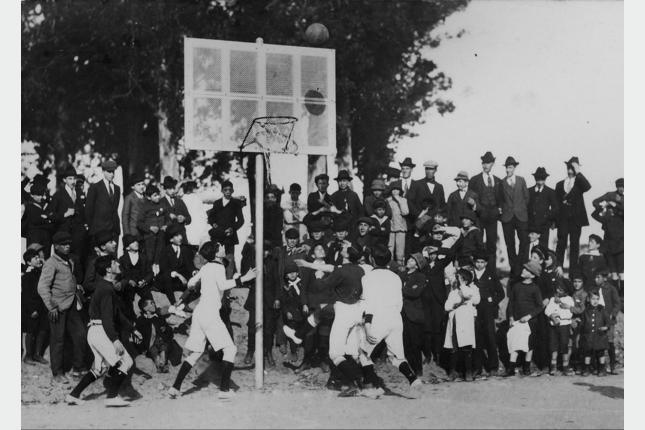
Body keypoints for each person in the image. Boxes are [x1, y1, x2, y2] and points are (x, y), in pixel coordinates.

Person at [168, 241, 256, 400]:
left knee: (196, 352)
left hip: (199, 313)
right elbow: (222, 285)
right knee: (230, 350)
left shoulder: (206, 267)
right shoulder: (218, 266)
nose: (223, 247)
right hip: (210, 313)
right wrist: (244, 278)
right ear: (216, 253)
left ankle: (175, 388)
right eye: (220, 246)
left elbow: (191, 283)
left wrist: (200, 281)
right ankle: (224, 390)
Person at [65, 255, 137, 407]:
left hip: (95, 331)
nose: (118, 264)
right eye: (114, 263)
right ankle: (112, 397)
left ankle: (73, 395)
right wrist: (115, 340)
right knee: (126, 362)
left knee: (100, 368)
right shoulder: (106, 289)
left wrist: (132, 329)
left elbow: (117, 314)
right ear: (109, 269)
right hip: (100, 331)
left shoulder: (106, 287)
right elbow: (107, 319)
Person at [358, 245, 422, 394]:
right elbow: (399, 302)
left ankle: (370, 386)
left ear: (372, 259)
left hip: (377, 318)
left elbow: (368, 303)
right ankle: (413, 379)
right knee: (397, 356)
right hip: (395, 317)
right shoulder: (396, 277)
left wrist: (367, 325)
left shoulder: (367, 278)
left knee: (362, 352)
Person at [37, 231, 87, 382]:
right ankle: (57, 373)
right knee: (58, 340)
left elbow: (68, 279)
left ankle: (78, 368)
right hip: (57, 308)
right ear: (56, 246)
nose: (67, 246)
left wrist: (77, 286)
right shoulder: (51, 263)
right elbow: (42, 287)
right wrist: (51, 307)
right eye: (63, 244)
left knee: (80, 335)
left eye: (68, 244)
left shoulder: (70, 260)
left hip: (72, 305)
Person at [241, 238, 279, 366]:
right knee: (252, 327)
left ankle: (268, 352)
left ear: (269, 252)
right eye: (261, 250)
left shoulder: (273, 263)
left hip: (269, 300)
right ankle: (250, 351)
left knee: (268, 329)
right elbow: (245, 278)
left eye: (266, 251)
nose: (263, 253)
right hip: (255, 299)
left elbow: (277, 282)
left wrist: (277, 298)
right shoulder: (252, 262)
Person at [504, 260, 543, 377]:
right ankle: (511, 368)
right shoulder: (516, 286)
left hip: (530, 322)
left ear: (532, 275)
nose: (523, 271)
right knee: (515, 343)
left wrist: (529, 316)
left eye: (527, 270)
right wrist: (511, 317)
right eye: (524, 268)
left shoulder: (535, 288)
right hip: (517, 320)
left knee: (529, 345)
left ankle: (526, 367)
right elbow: (511, 303)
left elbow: (540, 306)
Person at [555, 157, 591, 272]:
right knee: (561, 243)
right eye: (569, 168)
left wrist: (578, 171)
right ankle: (558, 269)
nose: (570, 170)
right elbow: (556, 204)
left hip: (576, 220)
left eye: (573, 168)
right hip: (563, 219)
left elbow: (588, 186)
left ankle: (573, 273)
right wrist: (555, 221)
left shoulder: (580, 183)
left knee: (574, 245)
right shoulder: (559, 184)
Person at [444, 268, 481, 382]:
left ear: (465, 280)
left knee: (467, 346)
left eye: (459, 278)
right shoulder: (453, 292)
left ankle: (468, 372)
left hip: (466, 322)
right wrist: (457, 304)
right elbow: (447, 306)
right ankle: (453, 372)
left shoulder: (471, 290)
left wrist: (463, 285)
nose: (456, 280)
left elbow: (474, 299)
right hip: (455, 320)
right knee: (454, 346)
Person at [468, 151, 503, 268]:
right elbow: (471, 198)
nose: (485, 165)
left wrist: (499, 209)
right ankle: (476, 270)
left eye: (488, 163)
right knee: (478, 243)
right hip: (479, 216)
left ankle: (491, 271)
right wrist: (477, 210)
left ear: (492, 164)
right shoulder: (474, 180)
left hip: (493, 217)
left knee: (492, 244)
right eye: (483, 163)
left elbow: (501, 198)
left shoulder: (498, 180)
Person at [472, 252, 504, 378]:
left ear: (486, 263)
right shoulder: (471, 274)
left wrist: (492, 302)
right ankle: (477, 367)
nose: (480, 265)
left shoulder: (491, 275)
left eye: (482, 262)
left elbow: (501, 293)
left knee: (490, 337)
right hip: (474, 310)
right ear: (474, 262)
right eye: (477, 262)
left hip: (488, 311)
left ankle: (493, 366)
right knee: (476, 338)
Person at [50, 166, 89, 262]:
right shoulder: (58, 195)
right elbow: (51, 216)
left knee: (78, 261)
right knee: (64, 261)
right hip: (64, 235)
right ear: (64, 180)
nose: (73, 181)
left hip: (79, 235)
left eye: (74, 178)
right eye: (70, 179)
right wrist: (65, 214)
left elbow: (85, 212)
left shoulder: (80, 193)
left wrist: (85, 226)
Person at [499, 156, 530, 276]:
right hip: (507, 217)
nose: (508, 170)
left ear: (514, 168)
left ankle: (522, 266)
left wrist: (520, 208)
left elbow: (526, 197)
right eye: (507, 167)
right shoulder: (502, 182)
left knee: (524, 241)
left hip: (521, 216)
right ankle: (514, 269)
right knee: (510, 243)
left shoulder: (521, 180)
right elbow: (501, 199)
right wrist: (504, 210)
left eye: (510, 167)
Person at [207, 180, 244, 277]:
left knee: (229, 258)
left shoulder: (236, 203)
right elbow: (211, 217)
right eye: (225, 190)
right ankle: (216, 277)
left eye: (230, 190)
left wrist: (232, 229)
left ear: (233, 191)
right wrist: (213, 224)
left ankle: (231, 279)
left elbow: (241, 220)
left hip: (229, 235)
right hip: (218, 234)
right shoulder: (217, 203)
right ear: (222, 191)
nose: (228, 192)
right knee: (216, 256)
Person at [134, 297, 182, 373]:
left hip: (162, 340)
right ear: (145, 308)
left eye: (153, 302)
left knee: (164, 348)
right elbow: (138, 336)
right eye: (151, 303)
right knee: (154, 350)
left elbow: (169, 330)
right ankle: (159, 363)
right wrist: (142, 349)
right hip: (150, 344)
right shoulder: (141, 320)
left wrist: (165, 329)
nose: (154, 304)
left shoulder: (159, 317)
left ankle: (163, 363)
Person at [401, 253, 427, 377]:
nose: (409, 261)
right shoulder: (401, 275)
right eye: (410, 259)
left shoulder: (420, 277)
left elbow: (415, 293)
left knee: (415, 343)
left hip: (414, 315)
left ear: (417, 266)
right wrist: (407, 288)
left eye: (412, 260)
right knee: (405, 343)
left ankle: (418, 370)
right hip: (402, 313)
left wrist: (402, 289)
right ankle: (411, 369)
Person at [22, 249, 49, 365]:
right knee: (31, 331)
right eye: (35, 258)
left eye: (38, 257)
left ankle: (37, 354)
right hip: (32, 308)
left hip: (43, 307)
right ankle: (28, 356)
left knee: (42, 330)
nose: (38, 260)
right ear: (29, 262)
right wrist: (32, 310)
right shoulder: (27, 276)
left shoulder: (42, 273)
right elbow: (26, 295)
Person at [157, 224, 196, 306]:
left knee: (195, 278)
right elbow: (164, 269)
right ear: (171, 239)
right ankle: (174, 303)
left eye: (180, 235)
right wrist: (178, 275)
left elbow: (189, 265)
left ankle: (184, 303)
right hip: (169, 280)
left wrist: (194, 271)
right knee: (166, 276)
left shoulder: (184, 249)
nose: (180, 237)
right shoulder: (165, 251)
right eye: (177, 236)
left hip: (179, 280)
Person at [591, 200, 624, 297]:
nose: (610, 210)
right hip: (609, 250)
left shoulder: (622, 217)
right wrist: (601, 207)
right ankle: (616, 295)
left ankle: (623, 295)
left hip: (620, 249)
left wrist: (616, 205)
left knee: (622, 274)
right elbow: (594, 215)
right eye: (609, 208)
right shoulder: (606, 219)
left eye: (611, 208)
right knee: (614, 274)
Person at [544, 281, 575, 375]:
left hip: (564, 326)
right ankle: (553, 366)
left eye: (561, 290)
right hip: (553, 326)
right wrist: (552, 316)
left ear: (566, 291)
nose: (558, 291)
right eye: (557, 289)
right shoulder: (552, 299)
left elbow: (569, 314)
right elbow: (547, 310)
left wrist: (559, 315)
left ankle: (565, 366)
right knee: (553, 345)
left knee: (564, 345)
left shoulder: (569, 299)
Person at [85, 159, 121, 240]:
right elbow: (88, 210)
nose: (112, 174)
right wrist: (93, 228)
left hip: (114, 231)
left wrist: (117, 230)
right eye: (109, 172)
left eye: (113, 172)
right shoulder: (95, 188)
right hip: (99, 231)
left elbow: (114, 209)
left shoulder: (117, 189)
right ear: (103, 171)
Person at [593, 268, 620, 374]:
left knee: (609, 342)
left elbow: (617, 303)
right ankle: (600, 367)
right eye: (595, 277)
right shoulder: (594, 289)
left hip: (609, 320)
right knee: (598, 343)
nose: (596, 279)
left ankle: (612, 366)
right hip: (598, 319)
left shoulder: (611, 289)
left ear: (604, 278)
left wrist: (613, 314)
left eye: (598, 277)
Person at [279, 262, 306, 363]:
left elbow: (305, 296)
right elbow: (283, 302)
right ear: (286, 275)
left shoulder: (302, 283)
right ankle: (293, 352)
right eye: (289, 273)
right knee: (292, 332)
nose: (292, 274)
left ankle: (302, 349)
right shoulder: (286, 287)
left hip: (302, 313)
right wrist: (287, 312)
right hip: (291, 313)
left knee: (302, 330)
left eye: (294, 272)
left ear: (297, 273)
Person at [579, 290, 611, 376]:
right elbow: (582, 323)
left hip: (600, 336)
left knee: (600, 353)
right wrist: (580, 324)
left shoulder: (602, 310)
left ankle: (602, 369)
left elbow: (608, 321)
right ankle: (586, 369)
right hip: (588, 336)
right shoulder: (586, 311)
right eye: (593, 299)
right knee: (588, 352)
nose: (595, 301)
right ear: (589, 299)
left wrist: (606, 327)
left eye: (597, 299)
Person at [22, 181, 55, 259]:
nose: (40, 197)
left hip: (46, 237)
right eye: (38, 195)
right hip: (34, 237)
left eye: (41, 195)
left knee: (46, 259)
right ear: (32, 195)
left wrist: (46, 218)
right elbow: (35, 220)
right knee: (34, 257)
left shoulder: (46, 204)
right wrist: (47, 219)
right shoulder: (29, 205)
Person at [527, 167, 559, 250]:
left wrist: (547, 216)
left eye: (542, 178)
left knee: (543, 249)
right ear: (535, 178)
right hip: (530, 225)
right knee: (527, 248)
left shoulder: (550, 192)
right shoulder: (528, 191)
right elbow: (525, 206)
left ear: (545, 179)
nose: (540, 180)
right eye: (538, 178)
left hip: (544, 225)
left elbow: (555, 208)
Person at [83, 231, 118, 298]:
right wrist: (106, 285)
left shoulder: (114, 259)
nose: (115, 243)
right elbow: (87, 284)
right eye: (111, 242)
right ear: (103, 246)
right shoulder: (94, 262)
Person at [137, 185, 167, 265]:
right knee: (149, 258)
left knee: (160, 257)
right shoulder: (145, 207)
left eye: (158, 195)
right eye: (155, 195)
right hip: (149, 237)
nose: (158, 197)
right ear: (149, 197)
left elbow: (168, 218)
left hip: (161, 236)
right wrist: (150, 228)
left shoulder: (162, 205)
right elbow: (139, 223)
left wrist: (166, 225)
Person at [160, 176, 192, 244]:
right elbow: (158, 220)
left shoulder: (179, 201)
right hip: (168, 237)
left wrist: (184, 219)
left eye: (173, 188)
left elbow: (189, 219)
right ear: (165, 189)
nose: (172, 191)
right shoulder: (161, 202)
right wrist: (168, 217)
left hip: (181, 236)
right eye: (170, 188)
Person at [330, 170, 363, 234]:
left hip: (353, 227)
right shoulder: (334, 196)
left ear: (348, 182)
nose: (342, 183)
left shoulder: (353, 195)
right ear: (337, 182)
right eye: (340, 181)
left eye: (344, 181)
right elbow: (332, 213)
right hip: (339, 228)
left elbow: (360, 211)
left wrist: (358, 224)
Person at [569, 270, 588, 373]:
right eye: (575, 281)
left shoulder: (584, 294)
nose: (576, 284)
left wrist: (569, 308)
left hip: (582, 321)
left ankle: (581, 365)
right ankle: (573, 363)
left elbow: (582, 310)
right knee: (572, 342)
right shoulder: (573, 293)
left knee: (578, 342)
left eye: (579, 282)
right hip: (573, 320)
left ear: (583, 283)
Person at [386, 183, 409, 266]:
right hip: (391, 228)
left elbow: (405, 212)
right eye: (393, 190)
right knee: (390, 249)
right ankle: (390, 265)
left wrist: (399, 201)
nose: (395, 191)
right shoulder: (388, 200)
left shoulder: (403, 200)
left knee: (400, 251)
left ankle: (400, 266)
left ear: (400, 191)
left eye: (397, 189)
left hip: (401, 228)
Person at [121, 173, 146, 238]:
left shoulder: (145, 197)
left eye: (143, 184)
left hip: (145, 232)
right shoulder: (129, 198)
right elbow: (125, 217)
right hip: (133, 232)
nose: (141, 187)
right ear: (132, 187)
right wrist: (127, 234)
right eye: (138, 185)